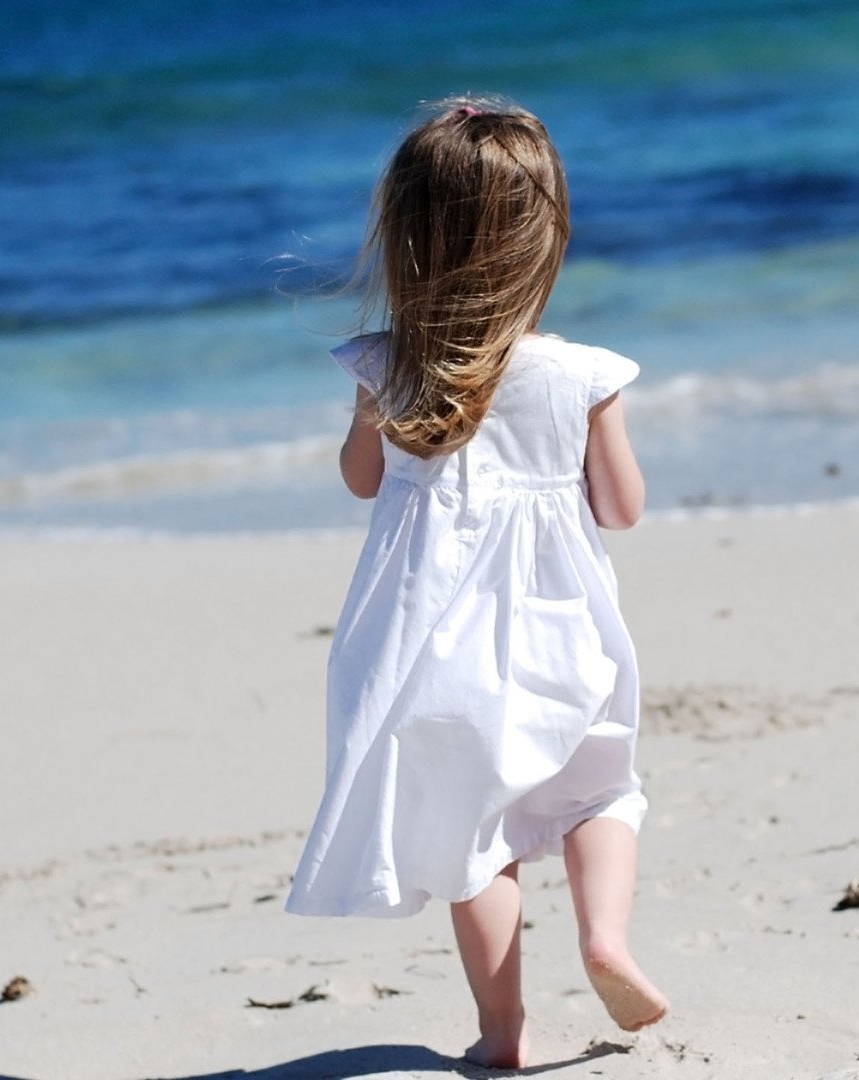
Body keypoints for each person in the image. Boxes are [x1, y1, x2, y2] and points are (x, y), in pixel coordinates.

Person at [283, 95, 668, 1069]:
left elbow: (363, 482)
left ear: (408, 238)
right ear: (544, 243)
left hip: (437, 646)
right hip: (561, 629)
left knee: (474, 837)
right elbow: (621, 508)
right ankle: (606, 940)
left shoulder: (389, 368)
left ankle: (504, 1033)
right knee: (600, 794)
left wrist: (376, 417)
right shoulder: (581, 374)